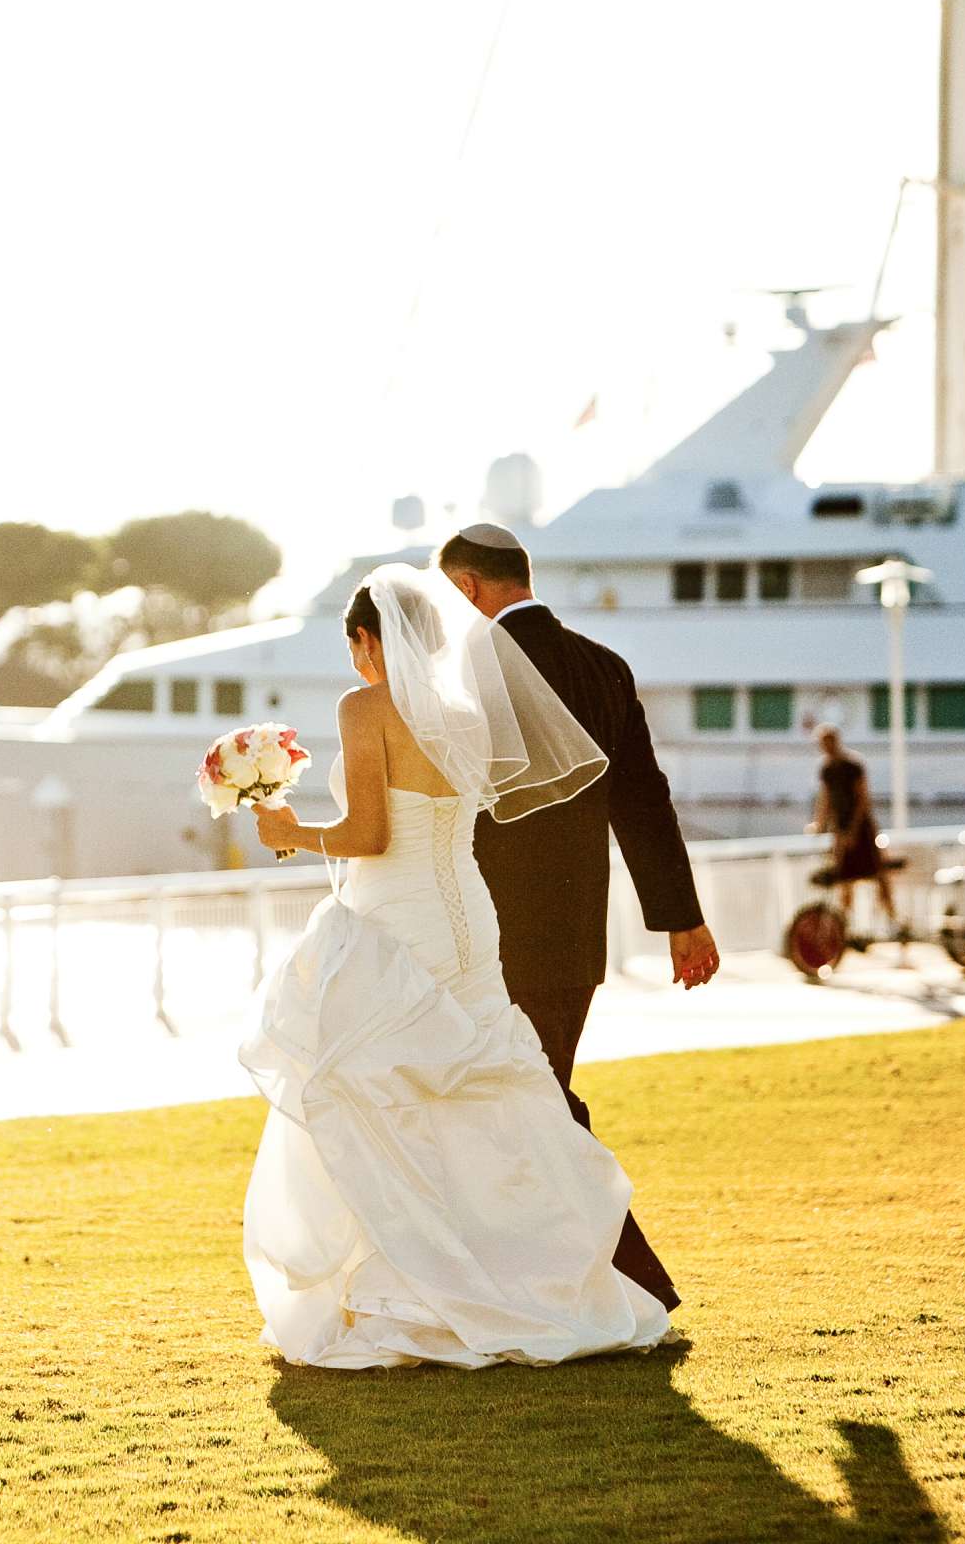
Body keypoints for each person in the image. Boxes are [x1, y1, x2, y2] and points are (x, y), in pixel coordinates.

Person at [242, 563, 673, 1369]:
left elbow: (368, 834)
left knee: (380, 1091)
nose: (357, 663)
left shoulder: (363, 707)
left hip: (396, 918)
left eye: (355, 646)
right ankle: (528, 1281)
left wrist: (291, 834)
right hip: (469, 918)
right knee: (480, 1096)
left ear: (368, 640)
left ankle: (416, 1292)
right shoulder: (469, 711)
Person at [442, 523, 711, 1312]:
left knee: (537, 1104)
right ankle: (546, 1280)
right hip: (577, 936)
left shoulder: (468, 676)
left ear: (467, 590)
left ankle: (632, 1279)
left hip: (489, 934)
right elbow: (645, 803)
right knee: (532, 1096)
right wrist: (681, 919)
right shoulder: (605, 667)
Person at [811, 726, 897, 929]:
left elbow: (862, 800)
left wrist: (852, 830)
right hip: (841, 829)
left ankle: (893, 919)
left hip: (861, 829)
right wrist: (820, 824)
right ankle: (844, 928)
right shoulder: (827, 769)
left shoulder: (852, 765)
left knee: (877, 874)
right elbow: (825, 799)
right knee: (844, 878)